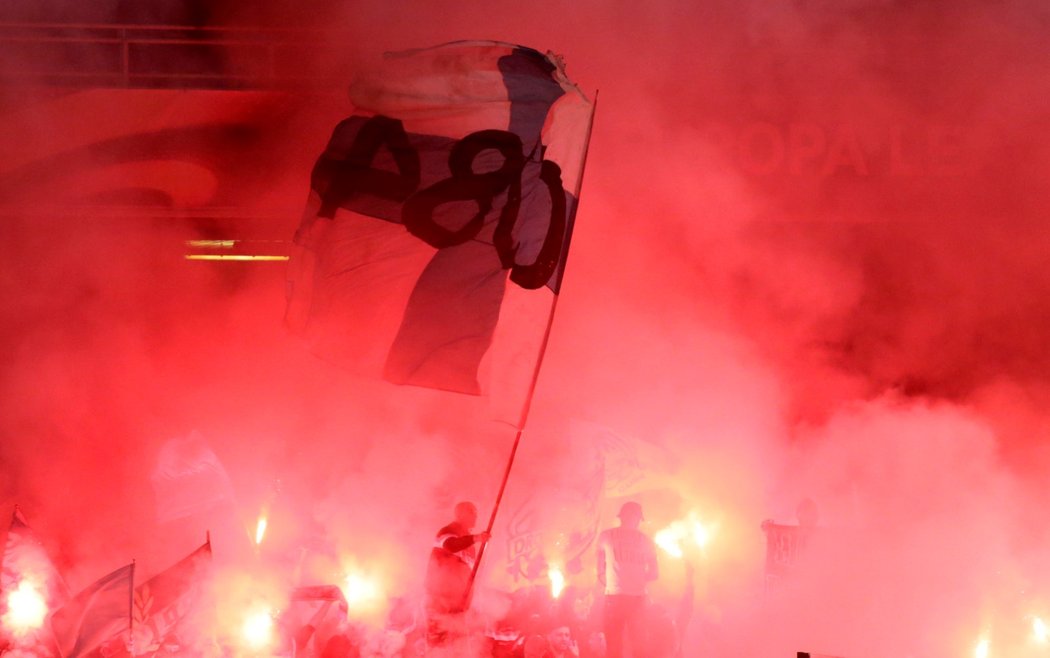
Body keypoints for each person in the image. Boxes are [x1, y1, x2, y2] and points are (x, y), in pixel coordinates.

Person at [424, 501, 491, 651]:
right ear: (460, 514)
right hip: (439, 602)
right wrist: (477, 538)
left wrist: (467, 602)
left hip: (458, 606)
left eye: (476, 514)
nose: (475, 518)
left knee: (458, 648)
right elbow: (451, 545)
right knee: (438, 648)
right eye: (472, 513)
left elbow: (470, 578)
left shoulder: (470, 548)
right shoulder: (447, 532)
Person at [595, 501, 657, 658]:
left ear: (621, 517)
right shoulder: (646, 540)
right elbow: (654, 573)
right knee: (639, 647)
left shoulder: (606, 536)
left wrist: (612, 583)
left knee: (614, 647)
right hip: (637, 599)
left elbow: (599, 570)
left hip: (615, 597)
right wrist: (637, 581)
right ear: (638, 519)